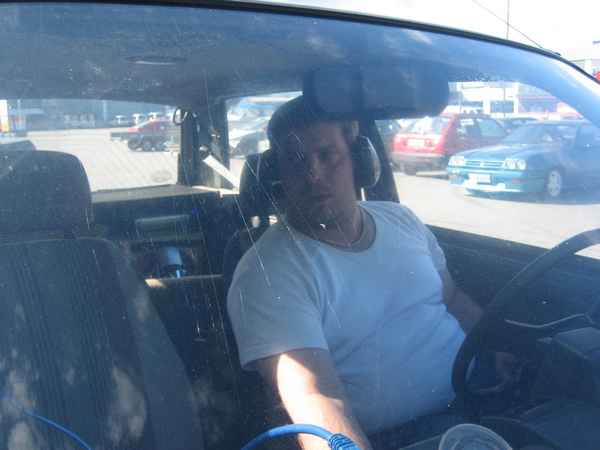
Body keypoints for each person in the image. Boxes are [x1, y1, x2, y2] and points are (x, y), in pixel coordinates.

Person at [227, 96, 487, 450]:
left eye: (326, 155)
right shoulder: (267, 272)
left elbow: (453, 300)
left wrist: (500, 348)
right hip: (394, 439)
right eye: (296, 161)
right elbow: (315, 398)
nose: (313, 175)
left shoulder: (402, 220)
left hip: (483, 400)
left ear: (360, 160)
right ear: (277, 176)